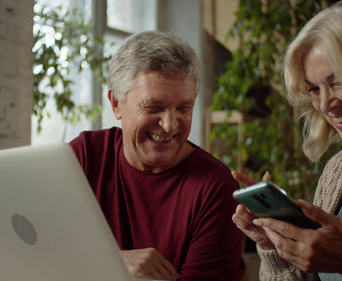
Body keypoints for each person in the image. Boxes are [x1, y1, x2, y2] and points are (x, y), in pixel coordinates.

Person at [231, 0, 342, 280]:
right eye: (314, 89)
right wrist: (273, 246)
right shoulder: (337, 171)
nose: (325, 104)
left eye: (338, 81)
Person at [69, 31, 245, 281]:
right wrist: (111, 262)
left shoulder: (215, 187)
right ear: (116, 103)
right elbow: (32, 251)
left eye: (184, 108)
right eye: (154, 107)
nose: (171, 125)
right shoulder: (84, 156)